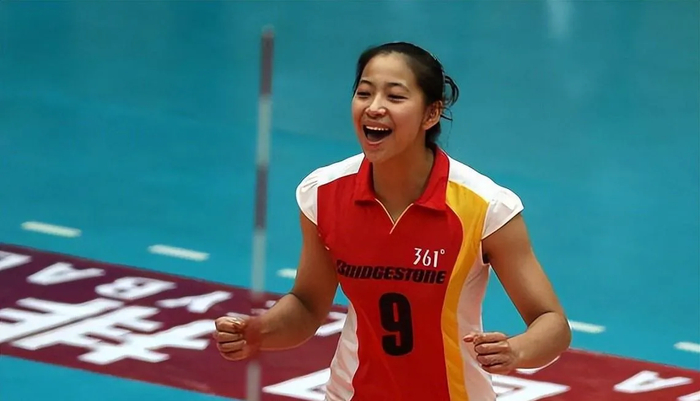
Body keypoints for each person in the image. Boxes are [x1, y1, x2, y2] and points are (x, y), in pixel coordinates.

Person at [214, 41, 572, 401]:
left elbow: (552, 322)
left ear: (431, 114)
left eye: (395, 97)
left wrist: (516, 351)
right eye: (364, 93)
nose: (374, 107)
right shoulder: (322, 194)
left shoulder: (485, 207)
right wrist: (258, 331)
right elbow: (307, 305)